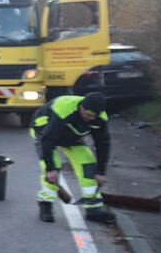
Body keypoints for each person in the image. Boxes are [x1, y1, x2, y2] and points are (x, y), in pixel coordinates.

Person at [31, 92, 115, 224]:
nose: (90, 118)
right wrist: (51, 169)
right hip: (44, 132)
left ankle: (93, 209)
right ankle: (45, 204)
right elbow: (47, 140)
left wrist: (100, 172)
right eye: (87, 114)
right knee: (53, 168)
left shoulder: (100, 118)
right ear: (81, 106)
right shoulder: (64, 109)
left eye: (93, 116)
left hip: (72, 135)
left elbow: (103, 144)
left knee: (88, 165)